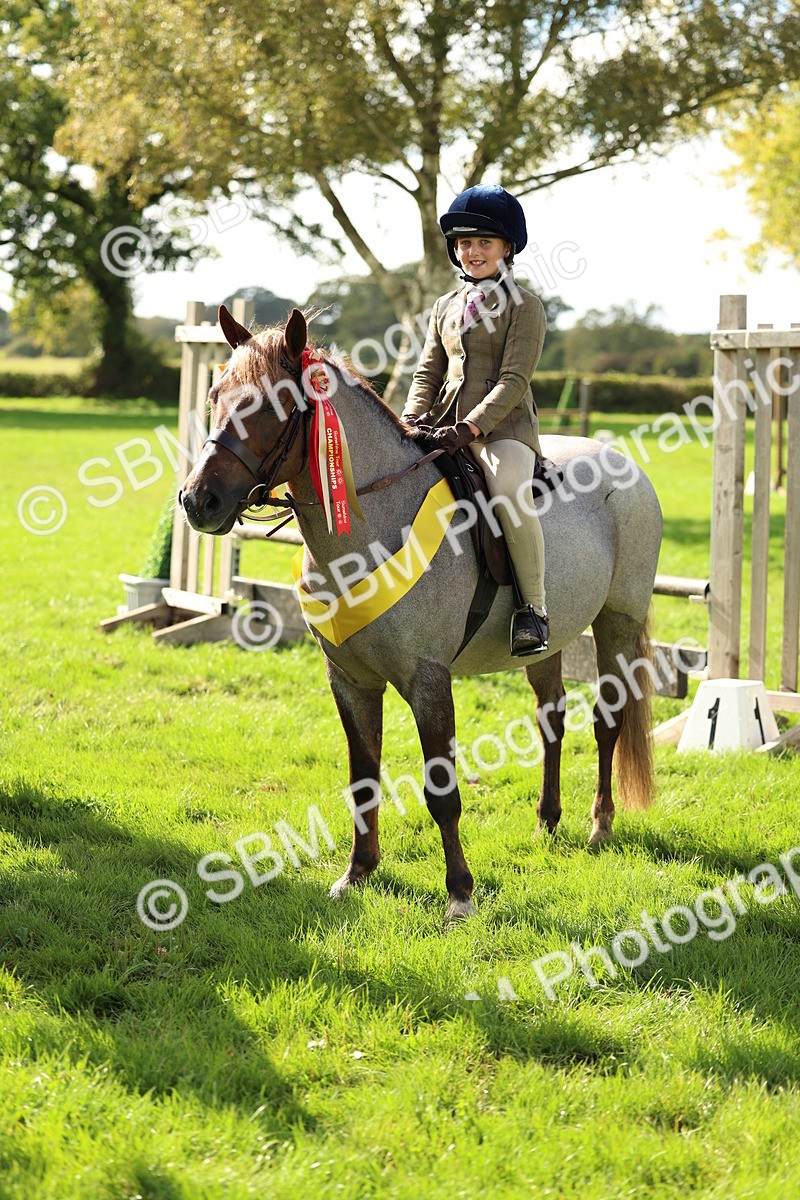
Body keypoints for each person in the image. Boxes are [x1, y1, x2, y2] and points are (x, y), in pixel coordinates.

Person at [401, 184, 549, 655]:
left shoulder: (526, 307)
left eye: (484, 242)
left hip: (502, 432)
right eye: (464, 243)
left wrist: (471, 428)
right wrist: (408, 419)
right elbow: (428, 370)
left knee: (507, 493)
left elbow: (513, 380)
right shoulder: (445, 307)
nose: (472, 251)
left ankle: (534, 609)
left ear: (507, 248)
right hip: (444, 426)